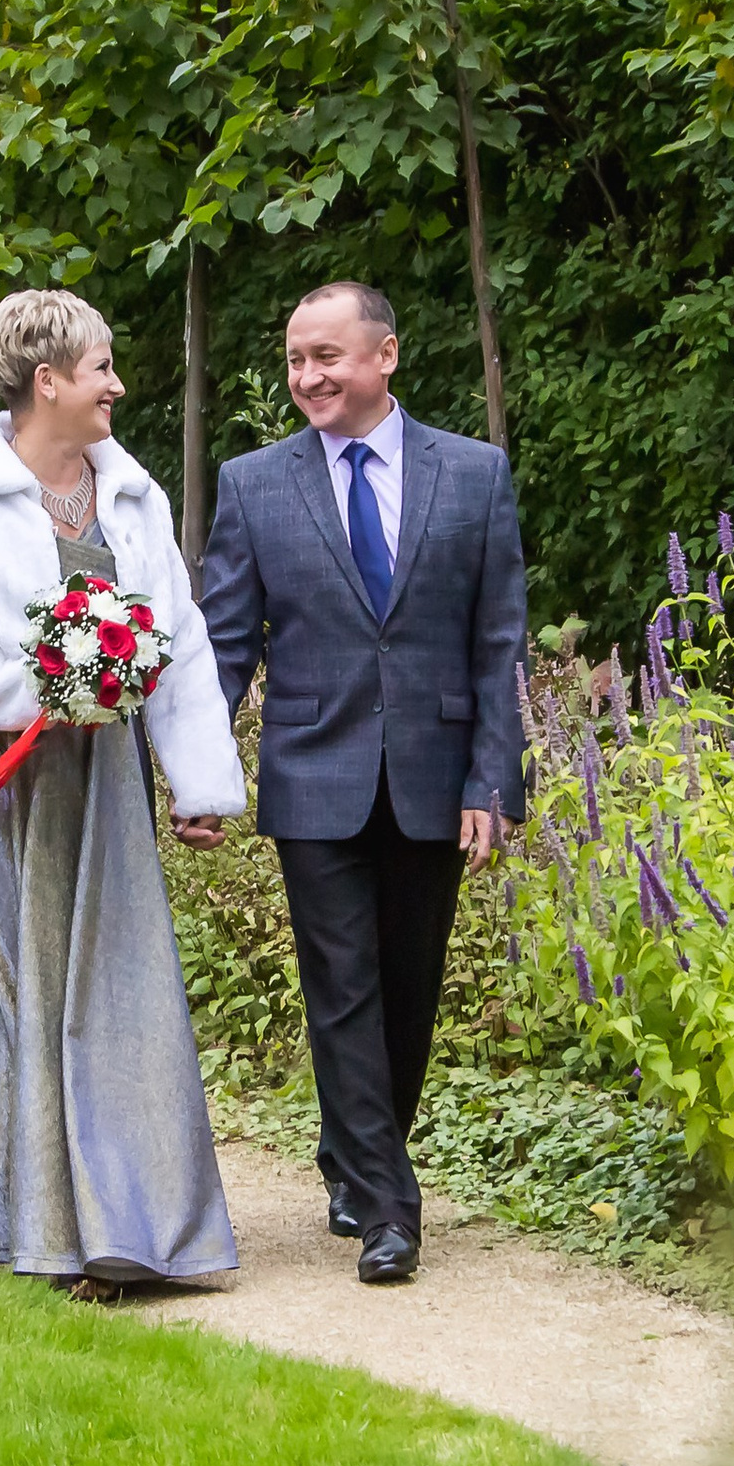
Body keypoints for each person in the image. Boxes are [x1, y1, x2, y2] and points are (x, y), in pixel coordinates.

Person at [0, 287, 246, 1294]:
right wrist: (37, 690)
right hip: (4, 786)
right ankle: (34, 1227)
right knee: (24, 992)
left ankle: (136, 1226)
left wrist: (197, 782)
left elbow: (175, 641)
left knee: (122, 992)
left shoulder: (134, 498)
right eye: (100, 368)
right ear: (48, 382)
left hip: (108, 783)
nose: (116, 384)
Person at [199, 282, 527, 1286]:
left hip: (432, 775)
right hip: (312, 774)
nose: (307, 377)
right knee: (341, 985)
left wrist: (492, 780)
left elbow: (495, 642)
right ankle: (390, 1206)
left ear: (385, 355)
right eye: (296, 360)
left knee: (408, 988)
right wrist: (201, 774)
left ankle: (351, 1158)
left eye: (327, 356)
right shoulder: (253, 485)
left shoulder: (473, 475)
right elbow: (222, 645)